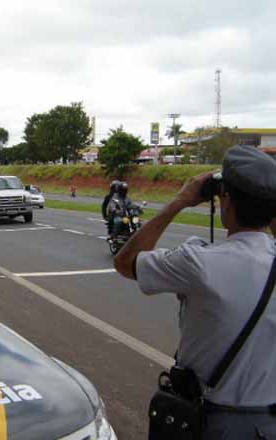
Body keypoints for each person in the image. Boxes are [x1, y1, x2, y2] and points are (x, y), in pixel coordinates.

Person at [114, 145, 276, 439]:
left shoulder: (198, 263)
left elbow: (125, 262)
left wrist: (178, 202)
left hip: (211, 423)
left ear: (224, 198)